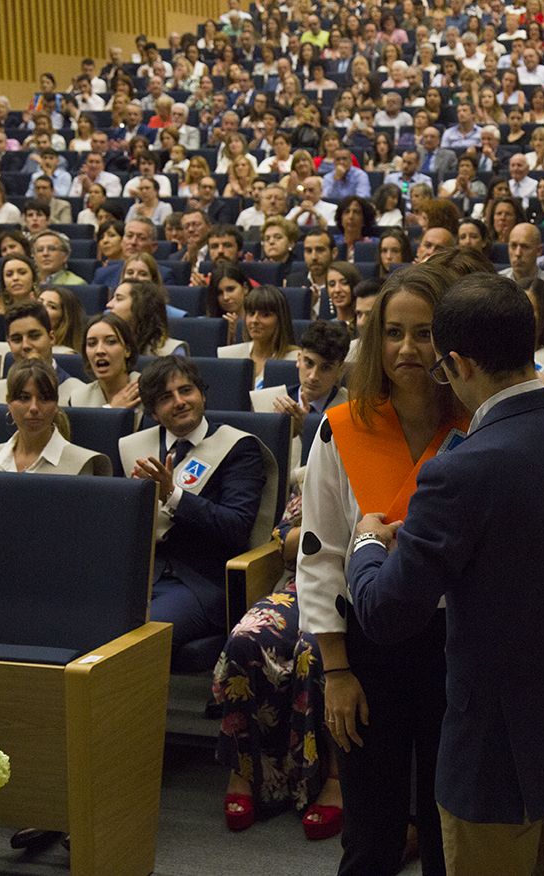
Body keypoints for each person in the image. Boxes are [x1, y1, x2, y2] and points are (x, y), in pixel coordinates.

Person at [345, 272, 544, 876]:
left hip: (498, 750)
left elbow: (385, 614)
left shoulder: (459, 471)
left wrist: (365, 543)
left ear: (458, 364)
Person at [298, 262, 469, 876]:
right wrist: (336, 670)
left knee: (451, 830)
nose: (407, 349)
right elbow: (320, 556)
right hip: (367, 648)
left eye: (424, 333)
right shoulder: (341, 429)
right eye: (393, 333)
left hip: (458, 646)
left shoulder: (478, 427)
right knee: (371, 834)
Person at [214, 321, 351, 839]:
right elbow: (286, 539)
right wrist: (321, 537)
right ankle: (245, 770)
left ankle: (332, 777)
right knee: (247, 639)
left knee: (316, 651)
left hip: (362, 589)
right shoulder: (323, 451)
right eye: (305, 364)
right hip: (303, 581)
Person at [120, 355, 277, 664]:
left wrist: (173, 495)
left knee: (132, 638)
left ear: (202, 394)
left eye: (186, 390)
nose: (179, 402)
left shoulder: (239, 448)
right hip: (142, 577)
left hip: (202, 583)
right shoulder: (133, 449)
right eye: (166, 397)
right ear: (152, 412)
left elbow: (236, 529)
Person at [0, 358, 111, 476]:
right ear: (9, 402)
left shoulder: (81, 464)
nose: (34, 408)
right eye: (24, 398)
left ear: (56, 403)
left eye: (44, 398)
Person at [0, 301, 86, 406]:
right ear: (9, 344)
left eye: (34, 336)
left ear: (51, 338)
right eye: (17, 339)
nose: (25, 345)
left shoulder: (79, 394)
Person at [217, 285, 301, 389]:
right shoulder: (228, 356)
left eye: (265, 315)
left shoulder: (295, 360)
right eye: (251, 313)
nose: (254, 320)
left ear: (280, 320)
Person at [68, 313, 142, 412]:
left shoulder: (150, 391)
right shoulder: (78, 399)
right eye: (92, 344)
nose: (99, 350)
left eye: (111, 342)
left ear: (127, 350)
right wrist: (112, 409)